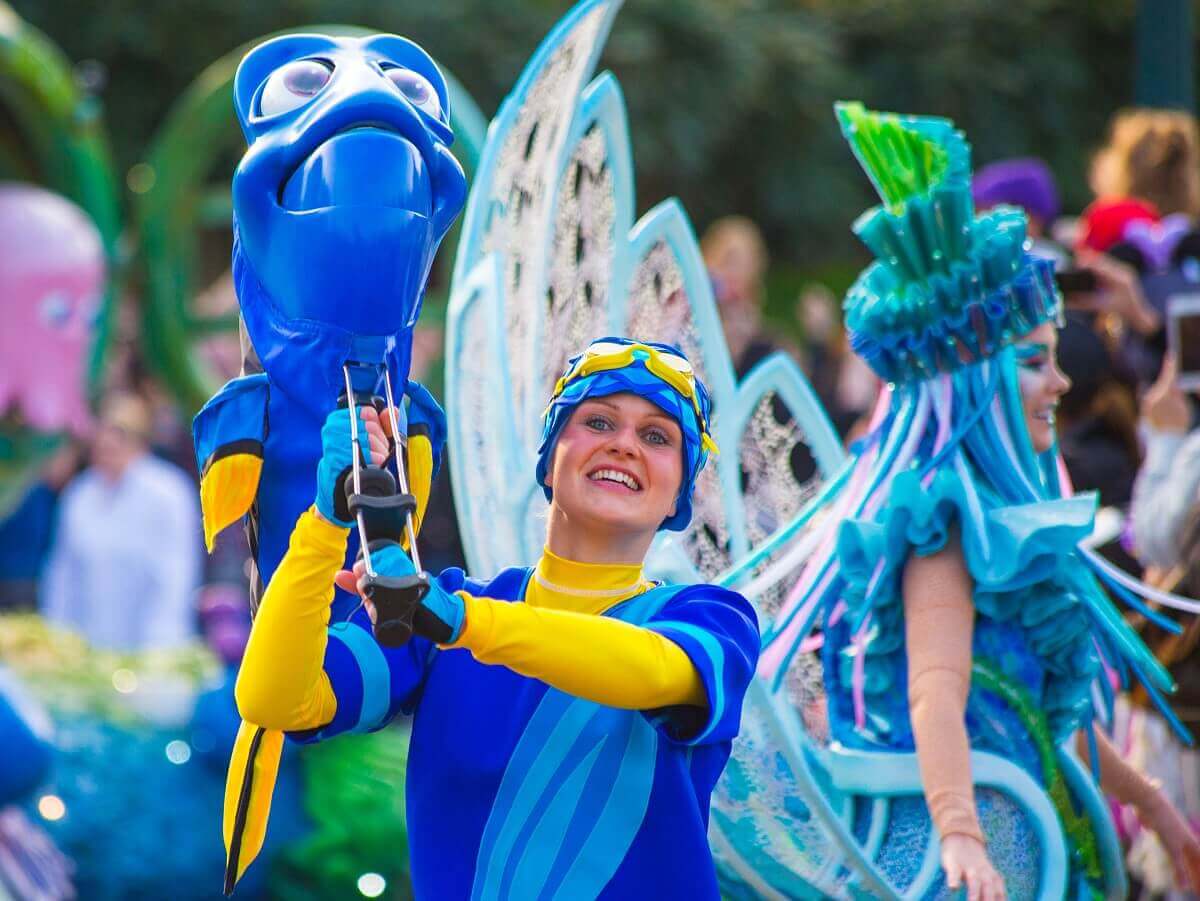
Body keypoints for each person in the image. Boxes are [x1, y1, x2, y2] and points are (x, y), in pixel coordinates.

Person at [763, 103, 1200, 899]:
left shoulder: (991, 524)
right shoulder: (942, 525)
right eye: (1034, 361)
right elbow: (936, 693)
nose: (1060, 382)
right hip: (971, 873)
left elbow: (1037, 717)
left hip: (1019, 851)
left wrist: (1151, 802)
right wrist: (960, 831)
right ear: (971, 380)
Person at [232, 338, 759, 899]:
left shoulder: (712, 619)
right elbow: (274, 700)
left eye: (656, 437)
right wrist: (326, 521)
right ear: (550, 457)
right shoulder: (439, 608)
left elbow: (651, 671)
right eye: (598, 422)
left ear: (679, 495)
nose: (624, 445)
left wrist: (462, 623)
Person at [40, 392, 201, 650]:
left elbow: (174, 578)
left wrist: (157, 652)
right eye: (102, 432)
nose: (108, 442)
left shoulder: (169, 492)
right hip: (87, 647)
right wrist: (58, 640)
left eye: (119, 433)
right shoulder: (79, 493)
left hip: (153, 647)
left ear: (141, 440)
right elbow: (63, 574)